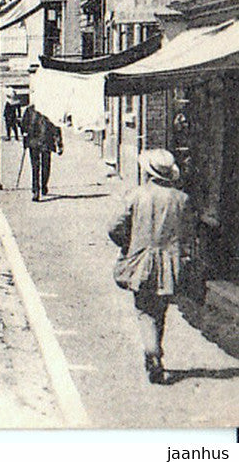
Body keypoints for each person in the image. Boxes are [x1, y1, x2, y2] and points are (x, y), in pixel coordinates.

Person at [108, 150, 194, 384]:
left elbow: (115, 227)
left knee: (144, 310)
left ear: (149, 171)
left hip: (142, 260)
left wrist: (129, 244)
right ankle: (156, 351)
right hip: (169, 262)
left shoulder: (136, 195)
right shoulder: (182, 199)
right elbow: (187, 234)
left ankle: (153, 354)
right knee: (161, 309)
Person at [21, 97, 63, 201]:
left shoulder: (50, 110)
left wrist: (59, 143)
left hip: (45, 141)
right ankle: (36, 189)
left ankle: (42, 185)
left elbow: (56, 126)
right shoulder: (31, 110)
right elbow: (24, 125)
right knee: (37, 167)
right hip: (36, 142)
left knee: (44, 166)